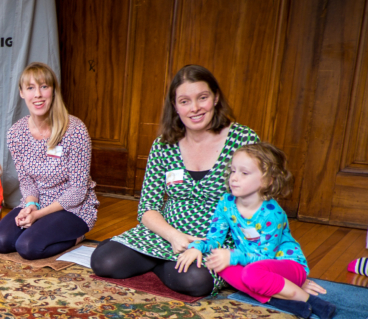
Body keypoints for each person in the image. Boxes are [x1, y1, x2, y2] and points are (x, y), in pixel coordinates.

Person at [91, 65, 259, 297]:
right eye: (185, 101)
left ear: (216, 98)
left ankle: (160, 265)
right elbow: (147, 207)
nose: (195, 108)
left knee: (196, 281)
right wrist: (174, 236)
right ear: (174, 105)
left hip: (216, 238)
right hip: (167, 233)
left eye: (203, 98)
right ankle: (167, 264)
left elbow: (257, 204)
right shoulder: (163, 144)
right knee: (104, 261)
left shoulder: (244, 139)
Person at [176, 143, 336, 319]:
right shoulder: (226, 203)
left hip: (284, 265)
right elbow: (215, 239)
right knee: (217, 263)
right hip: (253, 268)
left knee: (250, 273)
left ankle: (314, 302)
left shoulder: (272, 214)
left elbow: (265, 257)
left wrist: (233, 255)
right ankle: (282, 301)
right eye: (233, 171)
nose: (234, 178)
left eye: (244, 173)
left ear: (268, 180)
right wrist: (196, 247)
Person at [0, 62, 98, 260]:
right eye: (30, 88)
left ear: (53, 90)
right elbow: (26, 180)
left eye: (44, 86)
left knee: (27, 247)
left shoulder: (75, 130)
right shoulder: (16, 133)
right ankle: (39, 226)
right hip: (39, 203)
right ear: (22, 93)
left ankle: (77, 237)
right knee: (1, 241)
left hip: (72, 207)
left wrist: (38, 216)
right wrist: (32, 206)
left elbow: (78, 190)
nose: (38, 94)